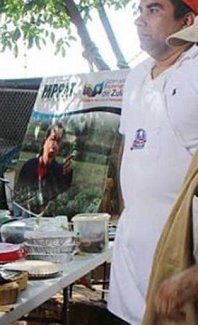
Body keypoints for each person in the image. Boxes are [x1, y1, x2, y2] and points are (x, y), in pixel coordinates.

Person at [108, 0, 198, 323]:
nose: (139, 20)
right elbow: (129, 149)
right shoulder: (135, 79)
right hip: (129, 268)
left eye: (154, 10)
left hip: (179, 273)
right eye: (141, 10)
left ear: (187, 20)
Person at [15, 122, 73, 212]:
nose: (54, 146)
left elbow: (61, 202)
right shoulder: (29, 167)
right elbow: (18, 198)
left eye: (58, 141)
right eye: (52, 139)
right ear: (44, 141)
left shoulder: (60, 172)